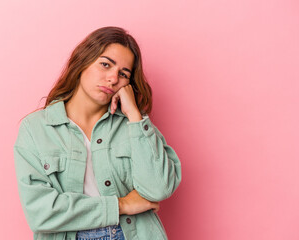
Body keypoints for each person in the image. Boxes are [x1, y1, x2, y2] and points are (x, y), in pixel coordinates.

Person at [13, 26, 182, 240]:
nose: (113, 78)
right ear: (83, 61)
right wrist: (121, 205)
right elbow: (41, 212)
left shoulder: (132, 125)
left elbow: (158, 188)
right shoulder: (36, 129)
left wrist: (134, 115)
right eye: (105, 64)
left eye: (123, 74)